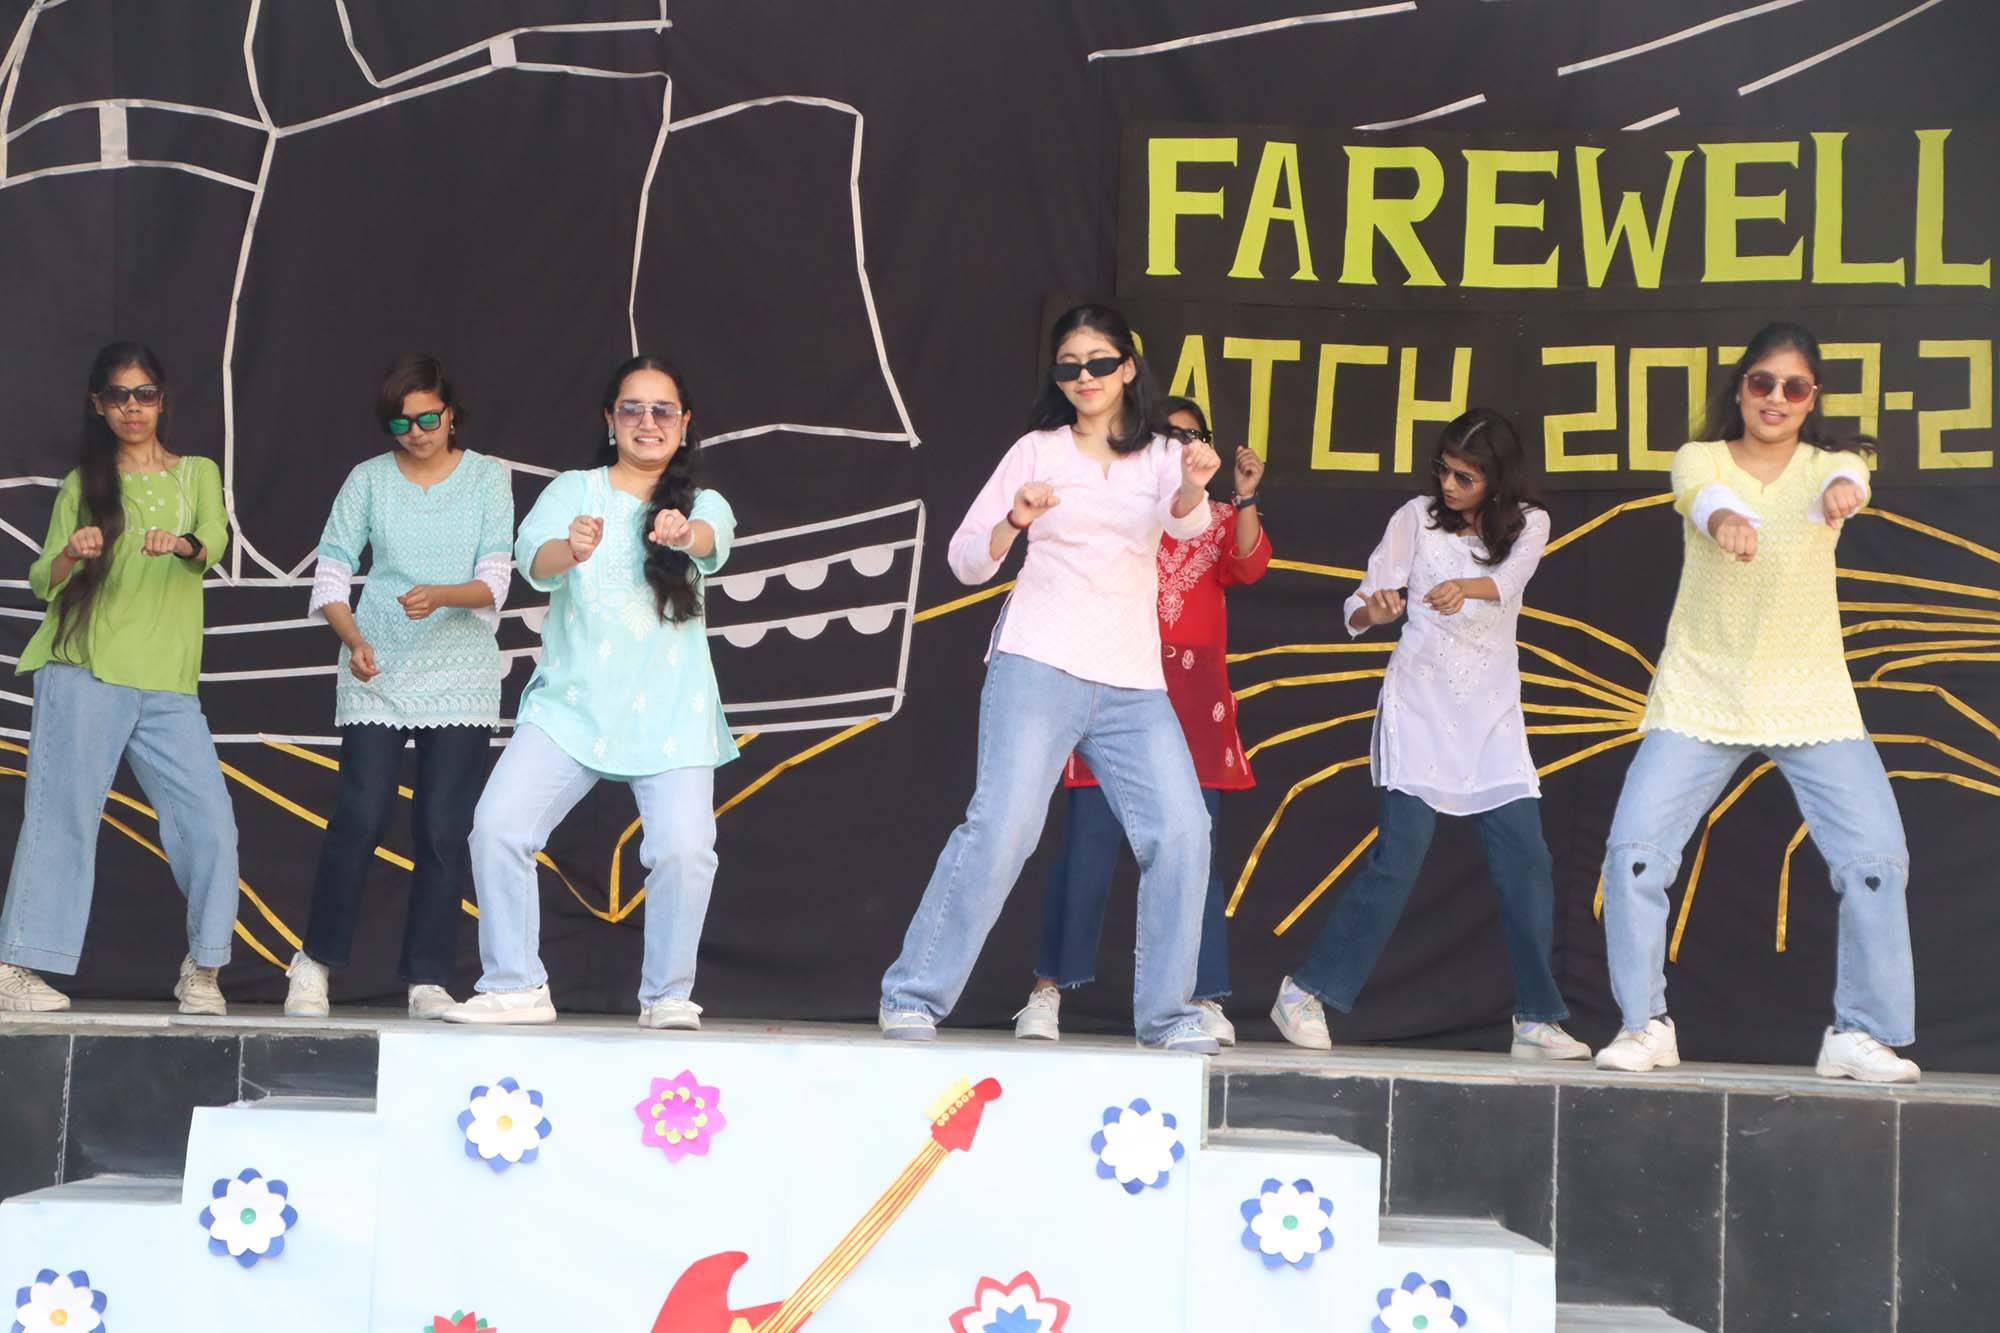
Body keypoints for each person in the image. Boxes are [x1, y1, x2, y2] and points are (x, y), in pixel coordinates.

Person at [879, 303, 1223, 1052]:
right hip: (1038, 660)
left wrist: (1195, 486)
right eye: (1070, 366)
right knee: (1003, 828)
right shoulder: (1037, 449)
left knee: (1183, 830)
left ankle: (1167, 1015)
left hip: (1131, 680)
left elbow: (1187, 526)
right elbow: (966, 561)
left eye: (1099, 362)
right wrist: (1015, 520)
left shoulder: (1164, 453)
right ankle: (912, 994)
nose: (1084, 377)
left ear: (1128, 367)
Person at [1594, 322, 1918, 1083]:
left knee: (1876, 862)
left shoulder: (1832, 467)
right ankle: (1644, 1025)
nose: (1776, 397)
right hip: (1702, 689)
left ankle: (1861, 1032)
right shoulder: (1700, 458)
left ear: (1812, 399)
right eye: (1762, 382)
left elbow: (1852, 476)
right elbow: (1702, 498)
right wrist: (1727, 519)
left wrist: (1844, 491)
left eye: (1793, 386)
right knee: (1634, 855)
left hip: (1811, 693)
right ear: (1741, 388)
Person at [1269, 409, 1589, 1061]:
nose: (1448, 484)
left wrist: (1461, 586)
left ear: (1498, 480)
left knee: (1527, 863)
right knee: (1399, 859)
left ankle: (1535, 1018)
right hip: (1418, 706)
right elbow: (1360, 602)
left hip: (1492, 717)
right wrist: (1375, 609)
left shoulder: (1531, 522)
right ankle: (1304, 992)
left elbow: (1506, 583)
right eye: (1444, 469)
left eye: (1466, 476)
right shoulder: (1415, 517)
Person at [443, 355, 736, 1029]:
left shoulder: (702, 503)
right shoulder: (574, 490)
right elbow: (532, 559)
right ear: (610, 419)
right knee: (498, 826)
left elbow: (711, 541)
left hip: (672, 714)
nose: (647, 421)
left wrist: (683, 533)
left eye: (662, 410)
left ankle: (668, 996)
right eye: (632, 408)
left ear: (684, 424)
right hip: (572, 707)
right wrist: (570, 550)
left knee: (686, 852)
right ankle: (516, 985)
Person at [1014, 396, 1268, 1046]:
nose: (1181, 446)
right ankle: (1046, 991)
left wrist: (1243, 496)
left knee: (1194, 848)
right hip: (1117, 682)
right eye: (1168, 435)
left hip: (1194, 700)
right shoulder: (1125, 508)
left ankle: (1198, 995)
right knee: (1086, 847)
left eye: (1193, 435)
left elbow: (1248, 565)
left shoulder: (1217, 518)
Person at [0, 342, 237, 1014]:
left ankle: (205, 968)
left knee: (210, 824)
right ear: (98, 405)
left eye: (145, 394)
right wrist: (72, 553)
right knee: (63, 819)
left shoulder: (197, 474)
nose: (133, 407)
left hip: (168, 682)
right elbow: (42, 579)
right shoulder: (85, 484)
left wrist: (183, 543)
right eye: (119, 396)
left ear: (162, 400)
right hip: (85, 668)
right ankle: (14, 968)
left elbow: (214, 541)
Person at [284, 354, 514, 1019]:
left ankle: (428, 977)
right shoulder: (368, 479)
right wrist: (353, 640)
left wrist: (441, 594)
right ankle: (314, 961)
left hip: (461, 670)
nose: (415, 433)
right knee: (359, 814)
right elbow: (331, 575)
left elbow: (495, 582)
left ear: (451, 412)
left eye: (427, 419)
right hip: (376, 667)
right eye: (400, 422)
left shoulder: (487, 478)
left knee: (443, 827)